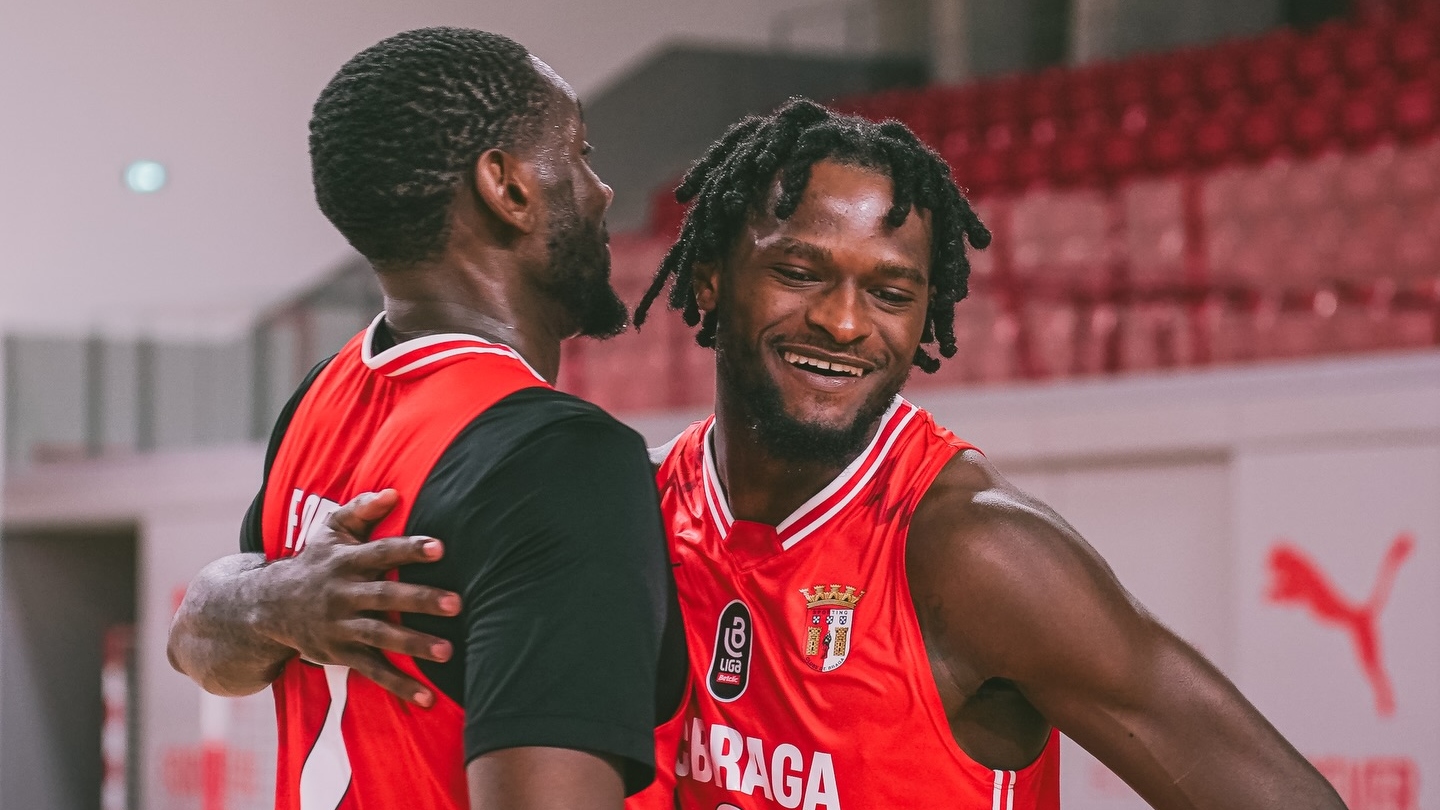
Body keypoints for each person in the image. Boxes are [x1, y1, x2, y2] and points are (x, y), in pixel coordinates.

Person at [619, 98, 1346, 809]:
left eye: (890, 292)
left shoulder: (976, 554)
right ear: (712, 277)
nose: (843, 322)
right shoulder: (639, 508)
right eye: (801, 273)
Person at [166, 28, 683, 810]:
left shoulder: (322, 396)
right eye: (577, 153)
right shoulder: (560, 459)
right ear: (507, 188)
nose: (601, 189)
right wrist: (266, 599)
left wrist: (260, 599)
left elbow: (204, 654)